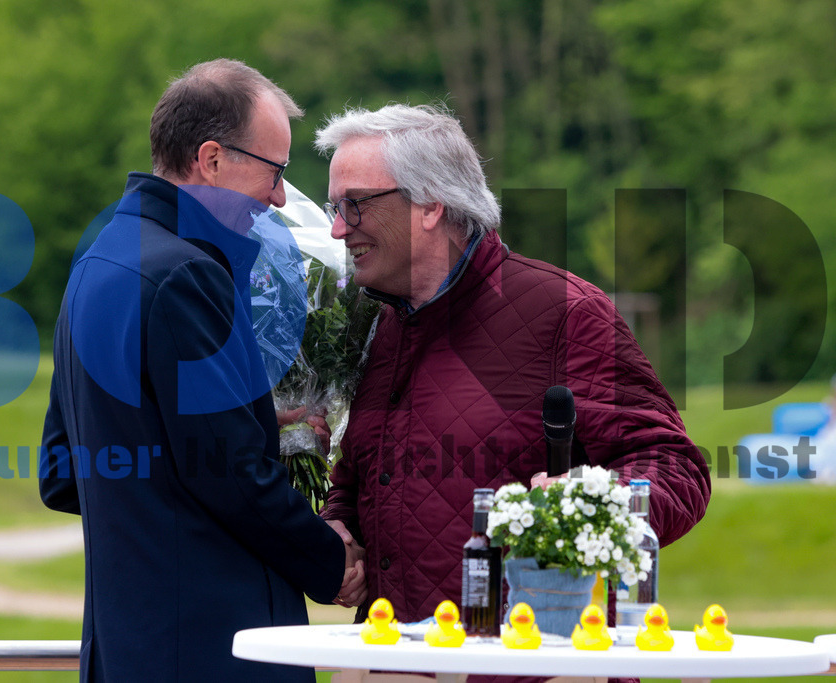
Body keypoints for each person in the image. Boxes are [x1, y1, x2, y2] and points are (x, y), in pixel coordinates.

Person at [314, 103, 711, 624]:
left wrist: (588, 505)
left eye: (356, 205)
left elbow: (675, 467)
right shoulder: (372, 329)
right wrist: (337, 531)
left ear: (430, 203)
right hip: (395, 658)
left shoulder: (566, 312)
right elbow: (358, 485)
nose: (339, 230)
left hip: (538, 666)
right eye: (334, 208)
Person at [39, 59, 355, 682]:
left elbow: (64, 472)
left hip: (128, 647)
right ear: (211, 160)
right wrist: (330, 560)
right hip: (214, 648)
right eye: (275, 171)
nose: (280, 197)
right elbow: (230, 476)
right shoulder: (187, 275)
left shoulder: (98, 259)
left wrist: (259, 421)